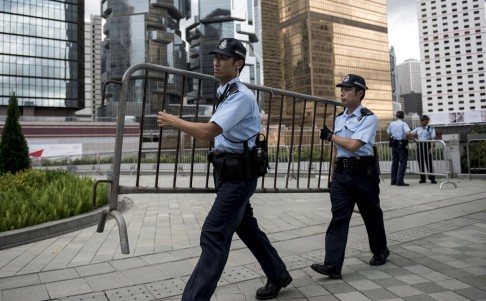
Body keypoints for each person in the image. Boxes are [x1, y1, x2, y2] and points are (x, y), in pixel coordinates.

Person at [157, 38, 292, 301]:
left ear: (238, 64)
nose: (216, 62)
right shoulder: (224, 92)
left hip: (240, 176)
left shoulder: (240, 96)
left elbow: (209, 130)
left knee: (214, 232)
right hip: (229, 171)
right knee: (247, 228)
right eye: (215, 57)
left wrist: (174, 120)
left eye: (223, 58)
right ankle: (278, 274)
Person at [311, 74, 389, 280]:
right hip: (342, 175)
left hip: (364, 173)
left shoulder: (368, 118)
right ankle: (333, 265)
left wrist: (330, 136)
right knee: (339, 217)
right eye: (342, 89)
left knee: (371, 215)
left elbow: (354, 145)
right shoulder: (339, 118)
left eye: (347, 89)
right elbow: (336, 151)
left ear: (359, 93)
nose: (342, 93)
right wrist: (331, 177)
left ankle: (380, 250)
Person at [387, 111, 415, 186]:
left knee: (395, 162)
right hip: (401, 144)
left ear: (396, 116)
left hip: (394, 144)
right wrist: (413, 139)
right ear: (403, 117)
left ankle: (393, 180)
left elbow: (388, 132)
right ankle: (399, 181)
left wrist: (395, 134)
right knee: (403, 162)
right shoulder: (403, 123)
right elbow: (408, 133)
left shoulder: (392, 123)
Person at [412, 115, 437, 184]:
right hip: (420, 146)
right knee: (421, 162)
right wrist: (414, 139)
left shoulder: (431, 128)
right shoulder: (418, 128)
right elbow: (410, 134)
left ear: (427, 121)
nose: (422, 122)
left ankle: (432, 178)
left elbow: (433, 139)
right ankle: (422, 179)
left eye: (424, 120)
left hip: (427, 145)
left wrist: (431, 148)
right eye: (421, 120)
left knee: (429, 162)